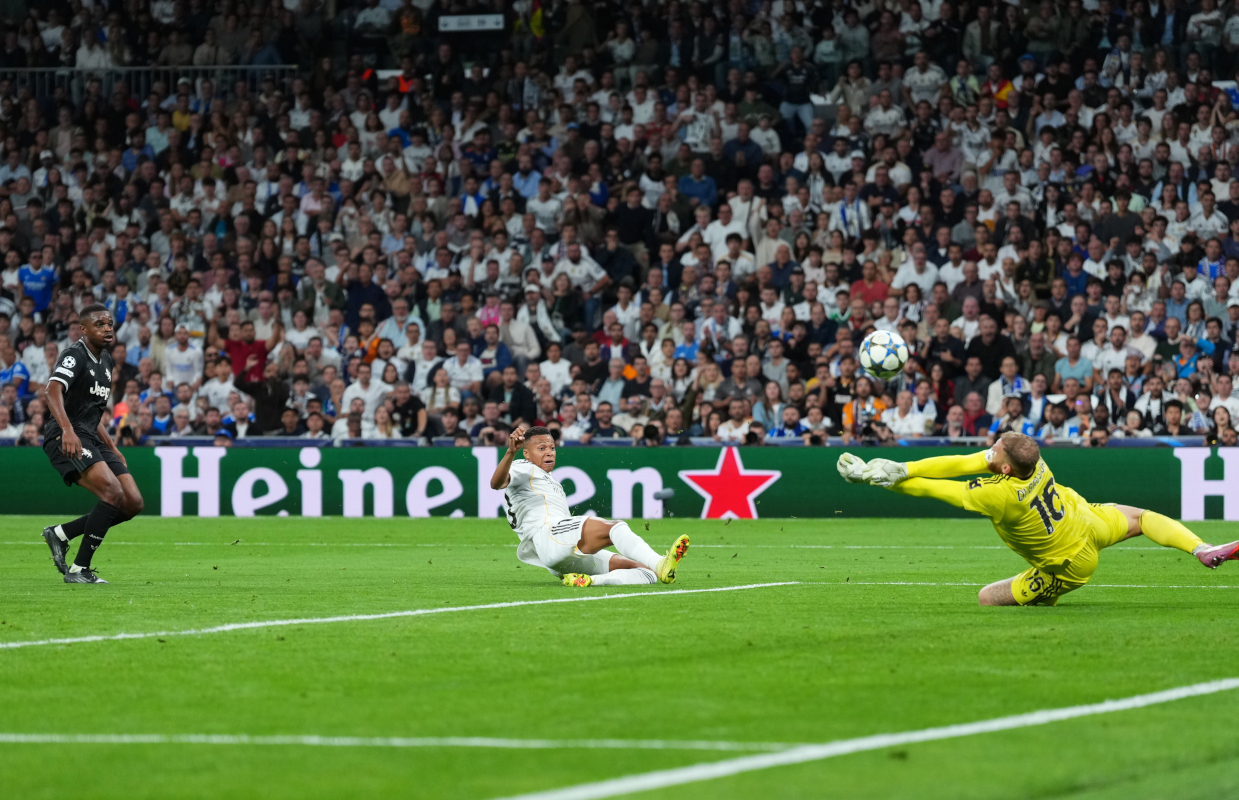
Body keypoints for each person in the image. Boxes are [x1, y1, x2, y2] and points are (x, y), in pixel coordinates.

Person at [837, 434, 1239, 607]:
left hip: (1069, 563)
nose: (987, 452)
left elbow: (942, 488)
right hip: (1084, 518)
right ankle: (1201, 548)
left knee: (986, 597)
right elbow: (962, 462)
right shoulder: (1031, 460)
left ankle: (1047, 590)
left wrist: (885, 480)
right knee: (1144, 517)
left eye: (993, 452)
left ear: (1007, 468)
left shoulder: (1000, 494)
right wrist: (903, 466)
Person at [489, 425, 690, 587]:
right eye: (541, 448)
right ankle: (659, 562)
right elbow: (496, 484)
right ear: (526, 453)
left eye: (552, 447)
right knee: (615, 527)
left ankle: (591, 581)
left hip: (561, 555)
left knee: (646, 573)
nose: (549, 452)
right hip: (549, 536)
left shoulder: (547, 479)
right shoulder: (524, 467)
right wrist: (509, 453)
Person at [40, 304, 144, 584]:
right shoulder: (75, 355)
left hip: (90, 436)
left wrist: (112, 447)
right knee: (111, 491)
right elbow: (51, 391)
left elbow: (92, 412)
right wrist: (67, 430)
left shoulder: (107, 361)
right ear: (83, 330)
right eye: (99, 324)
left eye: (109, 323)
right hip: (65, 436)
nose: (107, 328)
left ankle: (61, 534)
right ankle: (78, 570)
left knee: (132, 502)